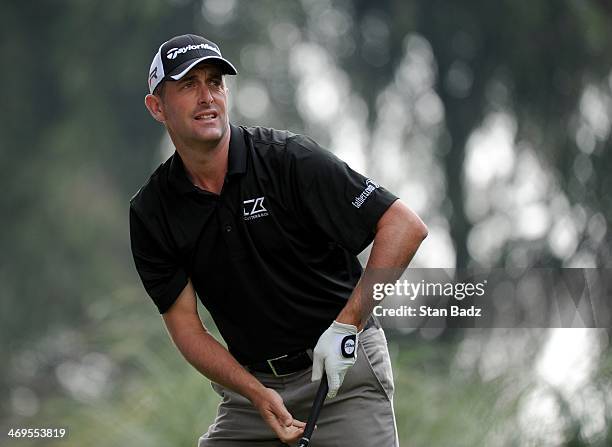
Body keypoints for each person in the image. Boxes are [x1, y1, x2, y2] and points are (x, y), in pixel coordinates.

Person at [130, 33, 428, 447]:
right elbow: (187, 329)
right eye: (188, 85)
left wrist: (348, 324)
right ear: (156, 107)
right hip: (253, 395)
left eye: (214, 82)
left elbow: (403, 226)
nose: (206, 96)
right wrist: (254, 393)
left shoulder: (287, 160)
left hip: (343, 380)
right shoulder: (153, 212)